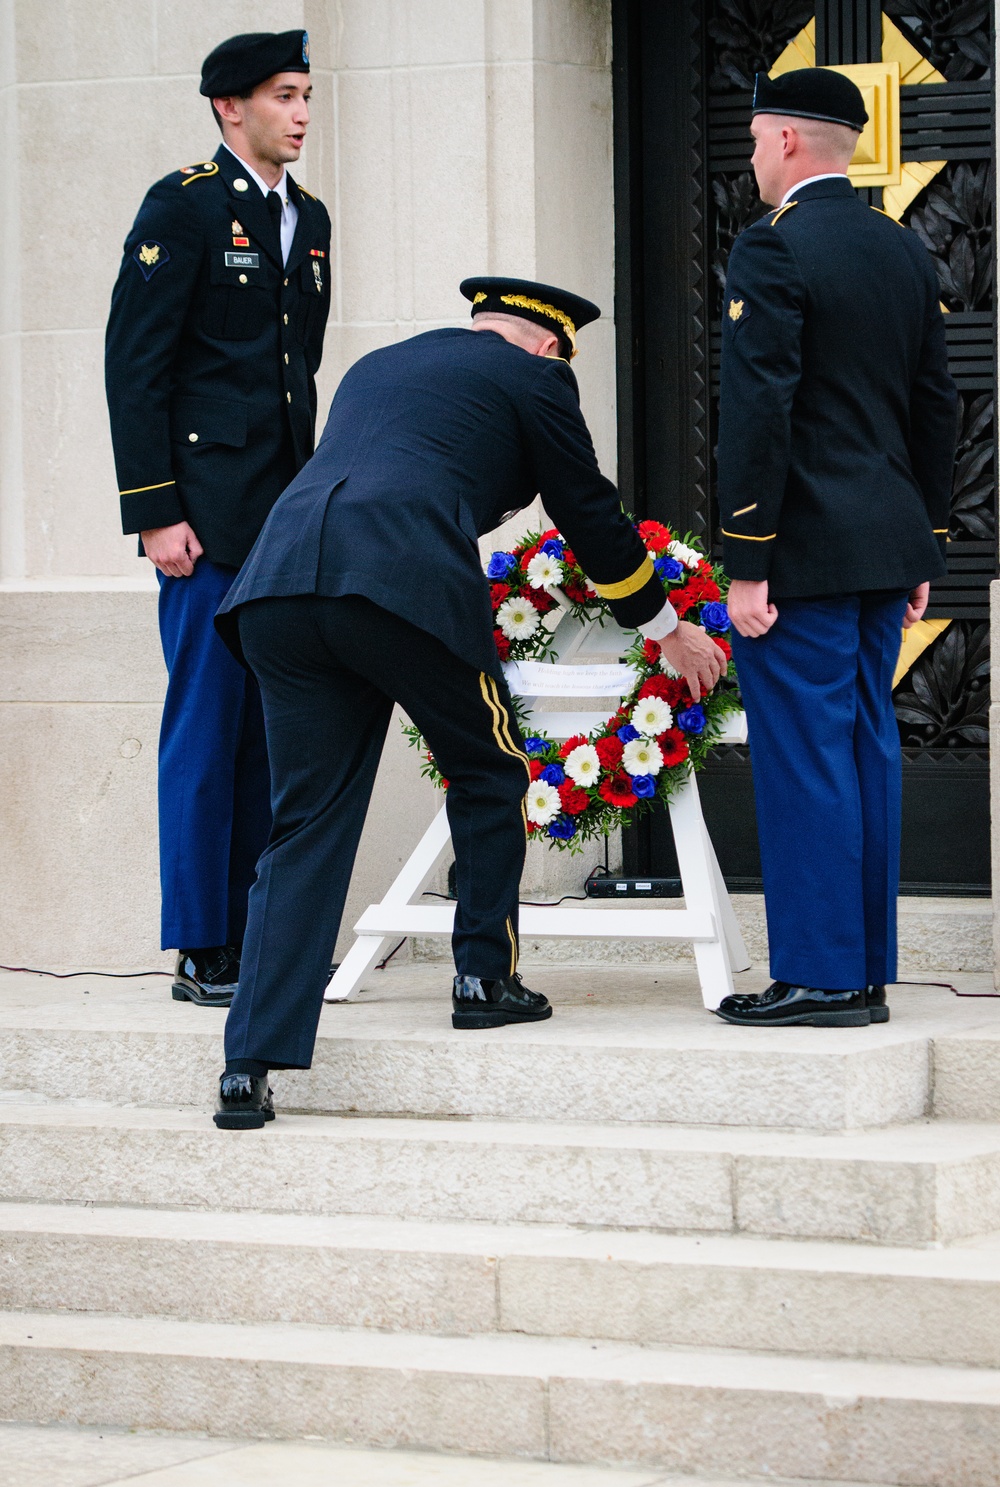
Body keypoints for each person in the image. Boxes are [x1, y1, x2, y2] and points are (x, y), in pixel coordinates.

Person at [210, 276, 729, 1129]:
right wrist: (665, 627)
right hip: (398, 587)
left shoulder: (379, 366)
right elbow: (591, 515)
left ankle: (246, 1065)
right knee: (491, 771)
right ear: (549, 345)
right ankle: (485, 978)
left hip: (279, 588)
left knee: (304, 822)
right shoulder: (535, 380)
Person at [714, 68, 957, 1029]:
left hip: (802, 550)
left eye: (754, 140)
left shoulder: (774, 248)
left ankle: (819, 975)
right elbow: (936, 404)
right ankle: (861, 970)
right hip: (883, 543)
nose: (752, 158)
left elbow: (759, 409)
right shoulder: (901, 246)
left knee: (805, 757)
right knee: (865, 750)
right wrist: (924, 545)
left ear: (781, 142)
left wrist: (747, 558)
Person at [105, 30, 331, 1006]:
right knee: (206, 729)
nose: (301, 112)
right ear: (228, 107)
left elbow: (297, 373)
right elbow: (136, 364)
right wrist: (155, 511)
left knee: (267, 734)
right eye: (285, 94)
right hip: (200, 524)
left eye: (307, 94)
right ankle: (204, 943)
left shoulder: (309, 217)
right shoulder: (185, 206)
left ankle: (256, 934)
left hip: (279, 517)